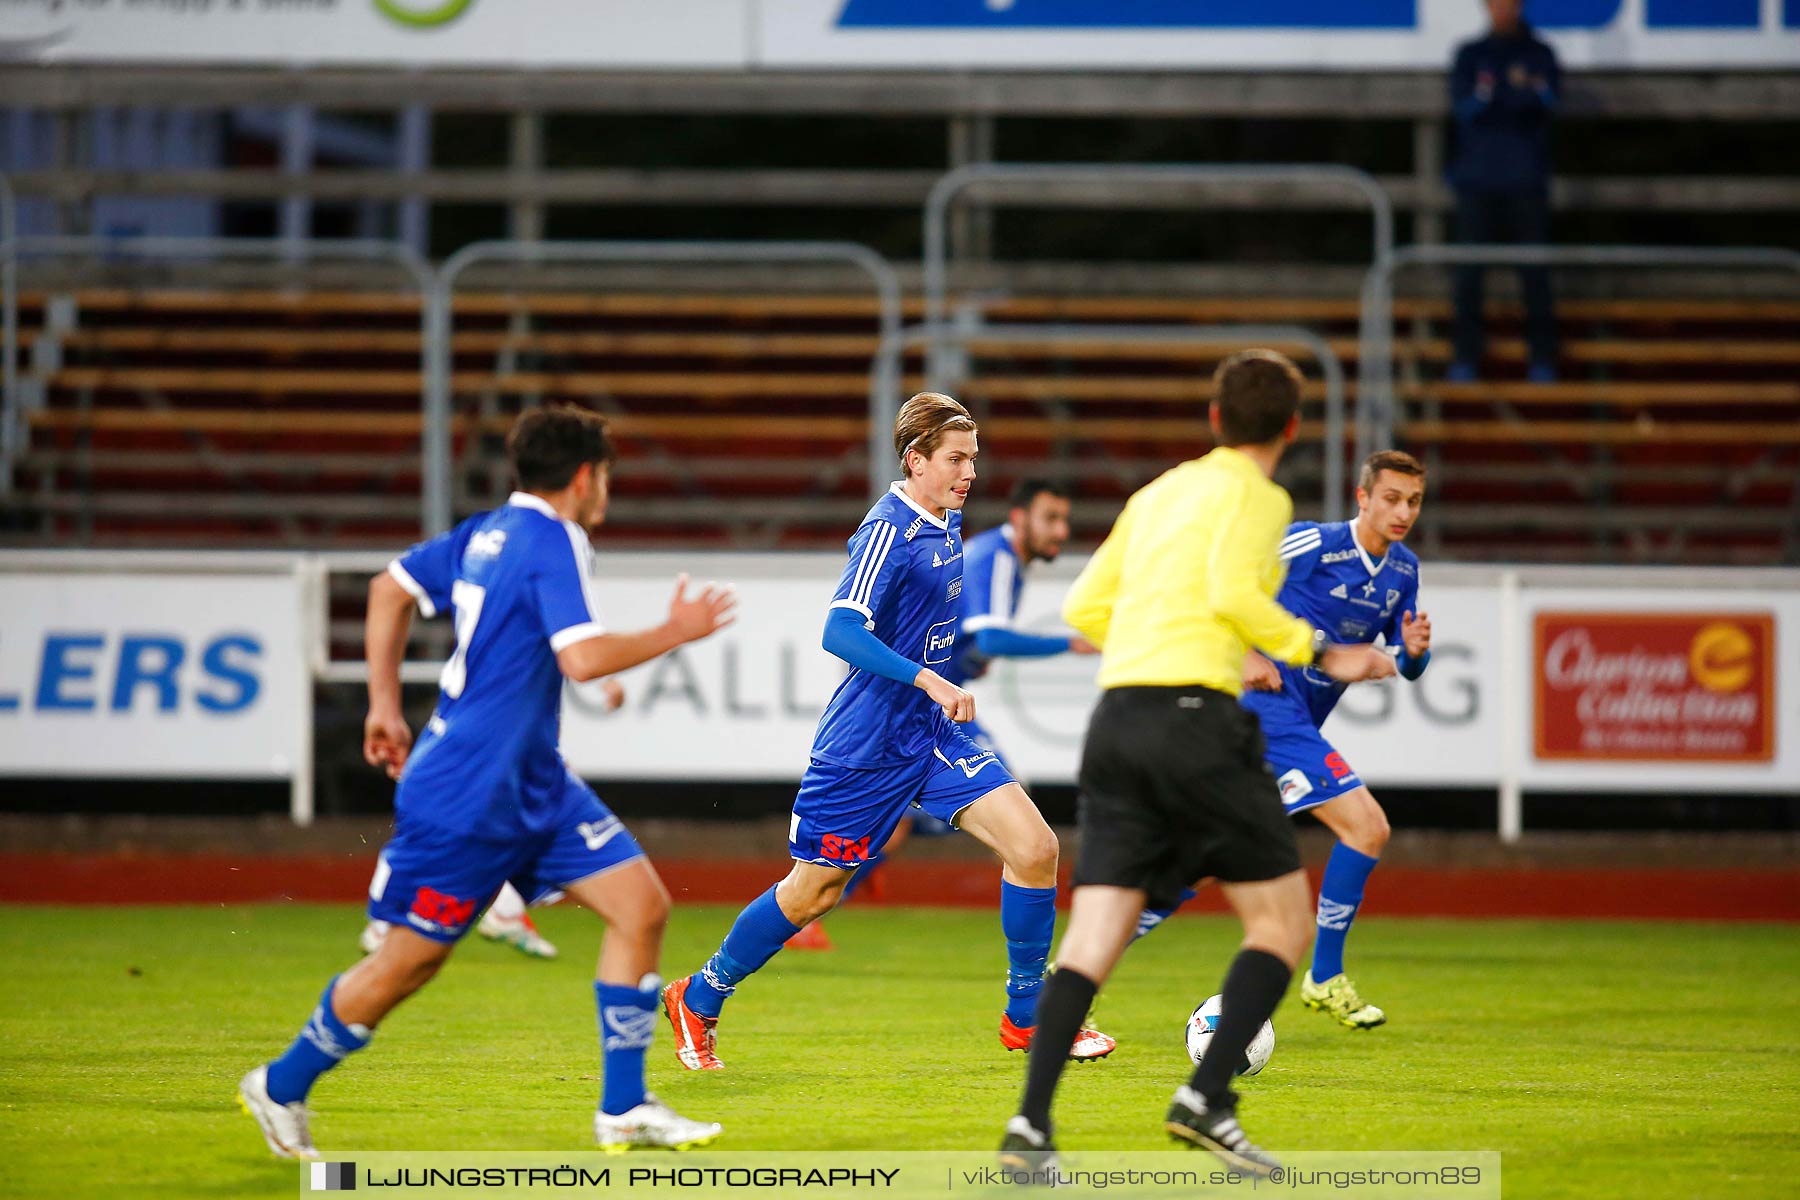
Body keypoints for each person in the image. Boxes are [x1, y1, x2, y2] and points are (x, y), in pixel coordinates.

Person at [237, 406, 737, 1159]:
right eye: (604, 474)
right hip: (469, 791)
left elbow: (387, 589)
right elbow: (582, 659)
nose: (606, 489)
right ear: (583, 477)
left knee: (640, 908)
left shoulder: (487, 531)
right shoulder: (555, 538)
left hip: (531, 778)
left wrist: (383, 704)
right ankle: (280, 1084)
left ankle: (624, 1107)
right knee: (407, 965)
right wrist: (678, 631)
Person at [998, 351, 1394, 1177]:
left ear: (1214, 420)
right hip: (1198, 719)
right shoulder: (1261, 495)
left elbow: (1083, 607)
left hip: (1117, 721)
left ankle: (1031, 1129)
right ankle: (1206, 1100)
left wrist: (1152, 643)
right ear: (1292, 428)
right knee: (1282, 924)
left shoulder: (1160, 490)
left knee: (1097, 931)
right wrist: (1315, 648)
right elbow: (1231, 590)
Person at [662, 392, 1111, 1072]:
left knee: (1036, 847)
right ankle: (699, 994)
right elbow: (840, 629)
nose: (969, 473)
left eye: (974, 459)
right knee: (814, 891)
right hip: (866, 744)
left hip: (929, 736)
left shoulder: (946, 522)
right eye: (956, 459)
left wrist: (944, 680)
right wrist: (928, 678)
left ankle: (1028, 1018)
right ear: (916, 460)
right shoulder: (889, 529)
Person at [1130, 451, 1435, 1031]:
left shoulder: (1402, 573)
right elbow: (1218, 585)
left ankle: (1076, 972)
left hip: (1291, 724)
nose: (1402, 512)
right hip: (1264, 711)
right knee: (1366, 826)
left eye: (1413, 501)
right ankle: (1323, 976)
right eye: (1391, 498)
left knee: (1205, 856)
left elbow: (1406, 665)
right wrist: (1245, 652)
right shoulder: (1312, 544)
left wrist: (1415, 653)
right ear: (1362, 497)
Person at [357, 677, 626, 962]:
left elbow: (564, 646)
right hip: (488, 734)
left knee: (519, 827)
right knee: (465, 831)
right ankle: (389, 920)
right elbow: (569, 647)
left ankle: (504, 911)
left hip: (516, 736)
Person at [1447, 0, 1562, 383]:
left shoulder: (1540, 53)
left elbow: (1546, 103)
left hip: (1526, 181)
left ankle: (1542, 358)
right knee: (1469, 275)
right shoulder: (1470, 54)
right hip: (1478, 181)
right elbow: (1467, 108)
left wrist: (1500, 97)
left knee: (1534, 274)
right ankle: (1465, 356)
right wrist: (1515, 96)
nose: (1503, 8)